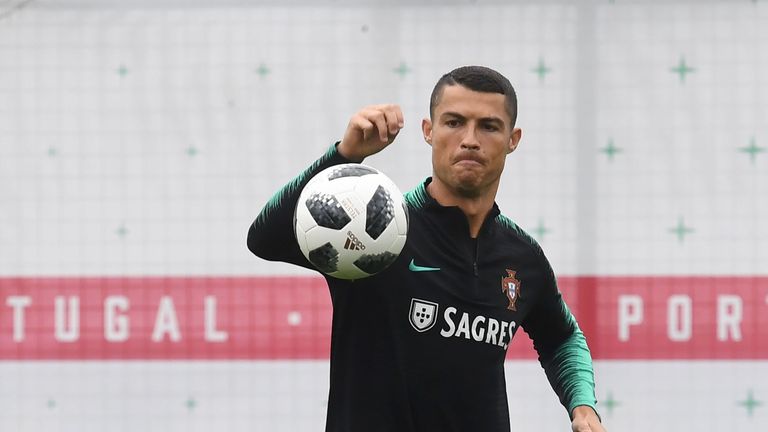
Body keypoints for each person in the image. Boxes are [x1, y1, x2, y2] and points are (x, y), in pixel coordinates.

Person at [248, 65, 606, 432]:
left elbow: (561, 336)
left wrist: (583, 406)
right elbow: (264, 238)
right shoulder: (377, 234)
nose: (469, 139)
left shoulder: (522, 256)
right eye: (454, 122)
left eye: (488, 126)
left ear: (512, 139)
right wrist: (344, 155)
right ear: (428, 131)